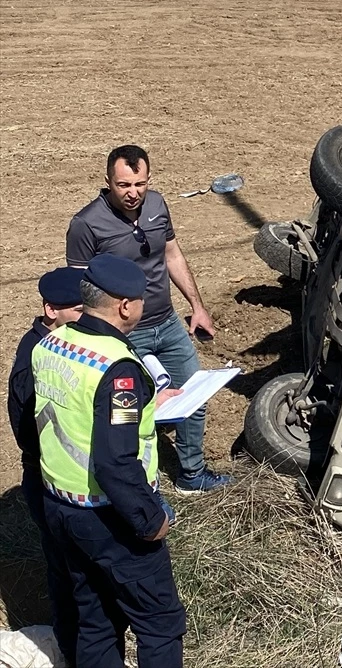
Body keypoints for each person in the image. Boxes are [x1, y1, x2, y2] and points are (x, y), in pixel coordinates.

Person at [32, 254, 187, 668]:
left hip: (60, 507)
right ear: (124, 305)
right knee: (160, 622)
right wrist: (150, 520)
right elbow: (115, 462)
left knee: (96, 620)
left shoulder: (51, 342)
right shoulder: (117, 367)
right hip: (109, 517)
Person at [66, 145, 230, 493]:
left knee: (191, 397)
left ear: (149, 179)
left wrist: (197, 306)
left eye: (139, 184)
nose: (133, 193)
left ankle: (192, 473)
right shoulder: (86, 224)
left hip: (168, 323)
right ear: (107, 181)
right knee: (133, 413)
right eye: (123, 185)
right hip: (124, 334)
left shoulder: (156, 205)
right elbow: (80, 291)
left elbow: (171, 254)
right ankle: (140, 487)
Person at [8, 267, 86, 665]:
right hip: (48, 483)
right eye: (78, 309)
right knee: (65, 572)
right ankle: (72, 650)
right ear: (50, 309)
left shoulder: (65, 344)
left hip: (65, 482)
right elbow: (27, 430)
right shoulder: (33, 358)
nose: (85, 315)